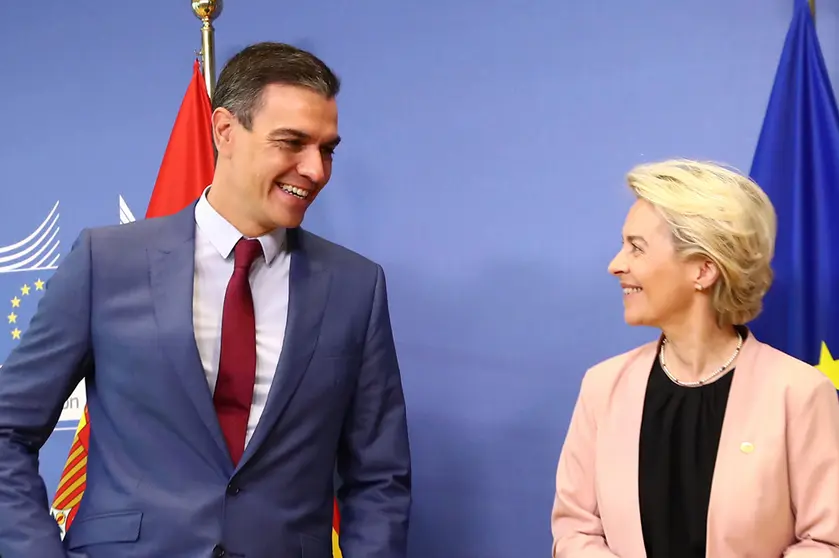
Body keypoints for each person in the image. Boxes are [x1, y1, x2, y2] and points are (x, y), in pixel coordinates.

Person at [0, 42, 411, 558]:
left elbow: (380, 476)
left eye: (327, 149)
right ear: (224, 131)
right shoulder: (105, 262)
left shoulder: (357, 286)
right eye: (292, 143)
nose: (316, 170)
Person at [550, 159, 839, 557]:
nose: (616, 265)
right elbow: (575, 531)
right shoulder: (603, 387)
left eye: (636, 247)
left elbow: (826, 542)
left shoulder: (799, 394)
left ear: (703, 270)